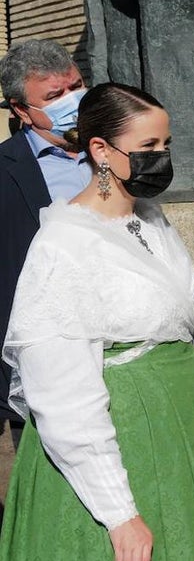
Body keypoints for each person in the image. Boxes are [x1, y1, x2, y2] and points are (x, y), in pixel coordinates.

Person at [0, 82, 194, 561]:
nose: (161, 158)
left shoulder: (150, 221)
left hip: (189, 444)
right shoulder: (63, 243)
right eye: (148, 148)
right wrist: (118, 512)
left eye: (166, 145)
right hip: (129, 447)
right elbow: (61, 393)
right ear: (101, 150)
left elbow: (185, 332)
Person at [0, 39, 90, 450]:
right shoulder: (5, 172)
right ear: (22, 110)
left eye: (77, 85)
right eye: (54, 96)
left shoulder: (119, 151)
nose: (72, 99)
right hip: (45, 369)